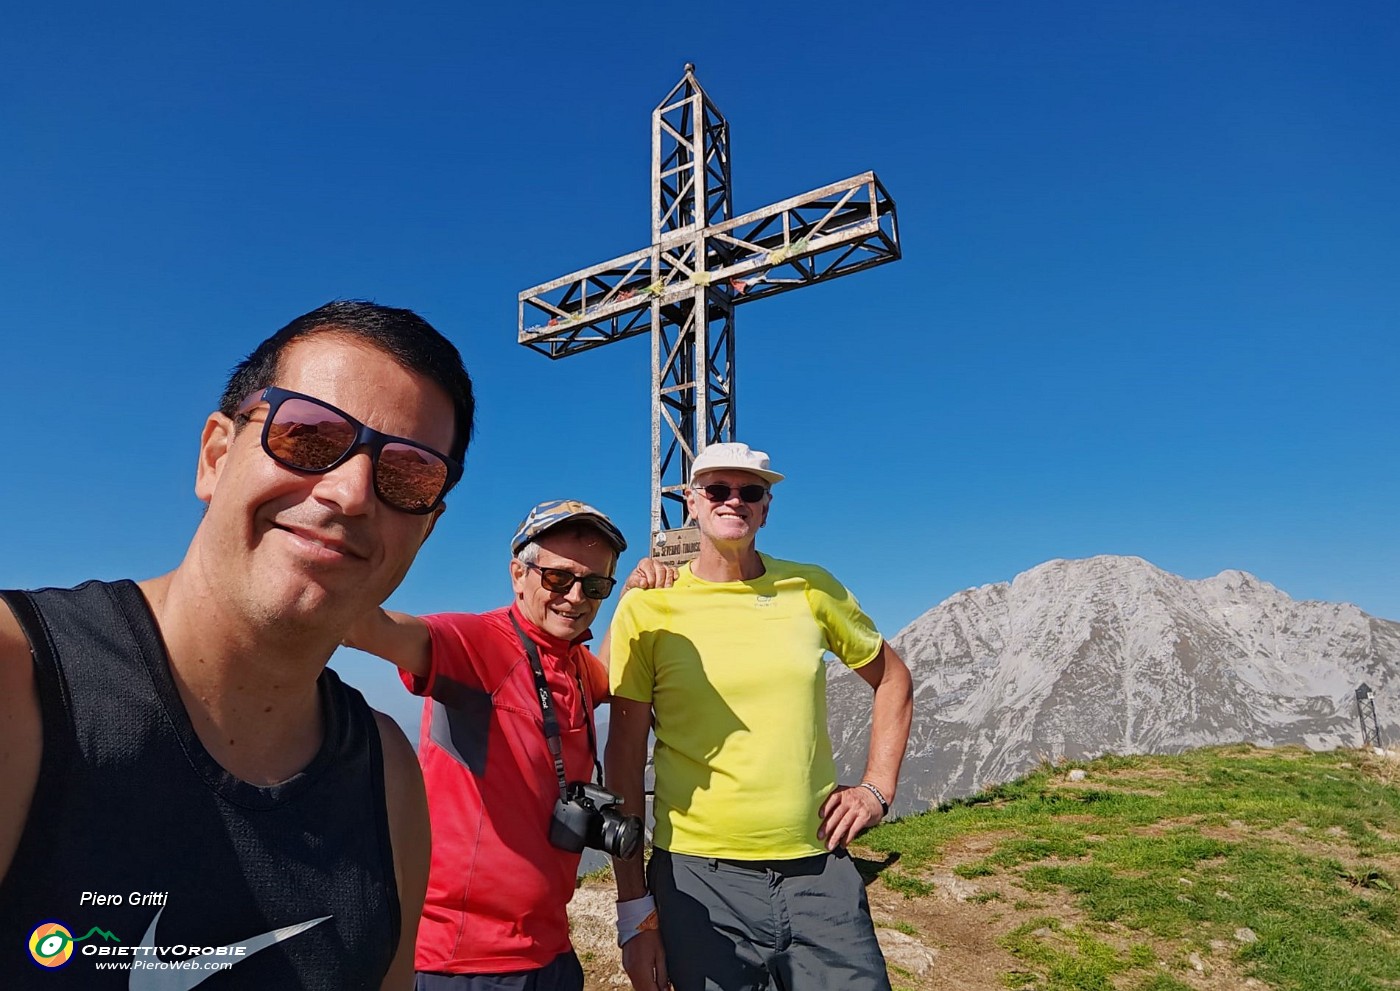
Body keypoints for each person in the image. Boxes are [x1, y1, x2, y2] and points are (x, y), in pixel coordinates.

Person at [0, 300, 475, 990]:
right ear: (216, 456)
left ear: (426, 530)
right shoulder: (22, 684)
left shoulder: (387, 774)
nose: (349, 492)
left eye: (408, 476)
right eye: (309, 435)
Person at [607, 442, 915, 991]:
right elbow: (624, 758)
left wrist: (876, 789)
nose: (734, 501)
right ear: (692, 503)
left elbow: (892, 678)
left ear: (766, 507)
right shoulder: (647, 607)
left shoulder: (812, 587)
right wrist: (634, 908)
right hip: (697, 879)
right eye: (717, 490)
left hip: (820, 867)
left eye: (751, 491)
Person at [343, 500, 657, 991]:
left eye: (595, 586)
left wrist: (635, 594)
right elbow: (369, 629)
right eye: (557, 579)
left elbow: (611, 671)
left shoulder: (574, 666)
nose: (576, 597)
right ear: (518, 574)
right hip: (463, 963)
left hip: (551, 949)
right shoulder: (476, 644)